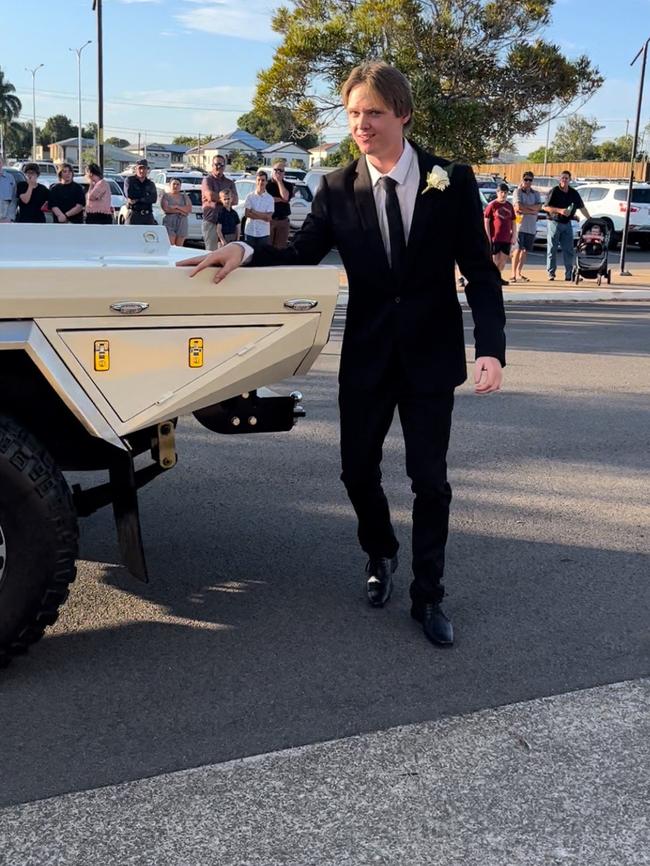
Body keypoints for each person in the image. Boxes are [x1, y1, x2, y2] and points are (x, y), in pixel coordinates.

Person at [178, 61, 505, 649]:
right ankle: (380, 552)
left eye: (374, 112)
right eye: (354, 113)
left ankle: (428, 594)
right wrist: (244, 253)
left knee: (430, 480)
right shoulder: (334, 187)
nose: (362, 124)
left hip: (431, 358)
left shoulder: (450, 181)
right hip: (369, 357)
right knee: (356, 470)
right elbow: (302, 253)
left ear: (403, 114)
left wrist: (491, 349)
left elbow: (481, 274)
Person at [543, 170, 590, 281]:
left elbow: (582, 207)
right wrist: (560, 210)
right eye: (563, 178)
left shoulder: (573, 193)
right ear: (560, 179)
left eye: (566, 178)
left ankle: (569, 274)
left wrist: (589, 219)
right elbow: (545, 207)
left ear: (570, 180)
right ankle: (551, 273)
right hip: (554, 222)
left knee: (568, 250)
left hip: (567, 224)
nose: (564, 180)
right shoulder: (554, 191)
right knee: (552, 249)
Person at [201, 156, 238, 251]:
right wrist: (226, 198)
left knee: (226, 252)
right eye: (216, 164)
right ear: (212, 165)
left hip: (227, 223)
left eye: (221, 164)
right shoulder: (207, 180)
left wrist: (218, 198)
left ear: (224, 166)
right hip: (211, 221)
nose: (219, 167)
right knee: (210, 252)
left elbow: (235, 200)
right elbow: (210, 196)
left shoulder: (229, 182)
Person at [510, 172, 541, 282]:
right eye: (526, 179)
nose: (528, 182)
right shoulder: (517, 192)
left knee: (525, 251)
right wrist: (531, 210)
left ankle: (519, 273)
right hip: (520, 226)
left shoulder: (536, 193)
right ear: (522, 179)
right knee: (517, 250)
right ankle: (513, 274)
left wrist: (527, 209)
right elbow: (518, 207)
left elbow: (539, 207)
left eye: (530, 180)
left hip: (531, 226)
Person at [483, 183, 515, 285]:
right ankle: (491, 278)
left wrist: (514, 235)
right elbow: (486, 221)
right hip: (495, 237)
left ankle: (497, 277)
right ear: (497, 193)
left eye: (505, 192)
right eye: (501, 192)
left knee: (503, 260)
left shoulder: (509, 206)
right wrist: (487, 236)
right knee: (495, 260)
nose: (503, 194)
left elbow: (513, 222)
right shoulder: (492, 205)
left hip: (506, 237)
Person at [266, 160, 294, 248]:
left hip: (283, 220)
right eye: (276, 170)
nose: (278, 172)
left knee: (280, 248)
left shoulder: (288, 185)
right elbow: (267, 199)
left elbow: (285, 197)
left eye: (280, 170)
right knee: (268, 247)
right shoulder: (266, 184)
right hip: (269, 220)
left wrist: (279, 182)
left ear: (284, 173)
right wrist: (281, 199)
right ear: (272, 171)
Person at [243, 171, 274, 250]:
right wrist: (263, 216)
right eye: (259, 180)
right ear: (256, 181)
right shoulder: (250, 196)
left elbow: (268, 218)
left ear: (266, 182)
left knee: (261, 257)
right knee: (249, 257)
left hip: (263, 233)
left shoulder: (270, 199)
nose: (261, 182)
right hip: (250, 232)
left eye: (263, 180)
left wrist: (254, 212)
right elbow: (247, 214)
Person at [125, 159, 157, 225]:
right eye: (140, 168)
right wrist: (146, 196)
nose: (142, 171)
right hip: (134, 214)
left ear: (147, 170)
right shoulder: (130, 180)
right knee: (129, 234)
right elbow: (130, 195)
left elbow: (153, 199)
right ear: (136, 169)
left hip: (148, 215)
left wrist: (138, 199)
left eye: (144, 168)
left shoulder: (150, 183)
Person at [160, 178, 192, 245]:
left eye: (178, 184)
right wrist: (181, 211)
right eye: (174, 184)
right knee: (171, 245)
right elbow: (166, 209)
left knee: (179, 246)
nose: (175, 186)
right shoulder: (166, 196)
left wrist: (176, 207)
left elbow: (189, 209)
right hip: (170, 221)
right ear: (170, 185)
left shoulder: (184, 196)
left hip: (182, 222)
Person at [0, 156, 18, 222]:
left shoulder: (10, 178)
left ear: (2, 164)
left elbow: (14, 200)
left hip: (5, 219)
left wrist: (10, 217)